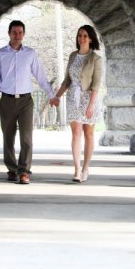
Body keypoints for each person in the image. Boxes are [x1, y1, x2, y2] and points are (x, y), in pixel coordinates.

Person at [0, 20, 54, 185]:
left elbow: (40, 76)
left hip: (26, 101)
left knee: (26, 138)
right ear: (9, 34)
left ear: (23, 34)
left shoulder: (30, 54)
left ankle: (24, 172)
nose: (17, 35)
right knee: (8, 137)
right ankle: (12, 169)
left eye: (20, 32)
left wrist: (51, 95)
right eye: (14, 32)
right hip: (7, 100)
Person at [50, 25, 102, 183]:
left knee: (88, 133)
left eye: (85, 36)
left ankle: (86, 168)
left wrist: (91, 105)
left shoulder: (96, 59)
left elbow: (96, 84)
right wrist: (56, 97)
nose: (82, 38)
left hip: (88, 98)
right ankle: (77, 170)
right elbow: (67, 80)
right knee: (76, 133)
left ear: (91, 38)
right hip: (73, 97)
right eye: (80, 35)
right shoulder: (73, 56)